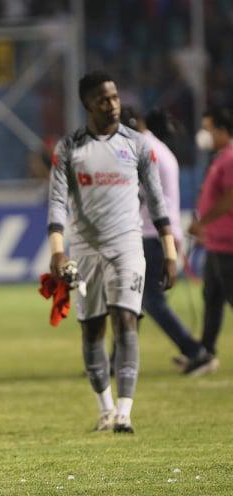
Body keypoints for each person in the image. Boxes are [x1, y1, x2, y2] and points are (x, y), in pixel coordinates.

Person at [47, 73, 177, 434]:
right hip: (85, 248)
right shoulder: (69, 148)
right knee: (92, 329)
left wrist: (169, 251)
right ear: (88, 103)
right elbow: (57, 202)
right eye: (104, 99)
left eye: (115, 97)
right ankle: (105, 408)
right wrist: (58, 252)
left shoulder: (136, 145)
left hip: (127, 245)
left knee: (126, 319)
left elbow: (156, 199)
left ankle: (124, 411)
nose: (113, 104)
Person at [119, 107, 215, 375]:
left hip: (153, 234)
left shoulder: (142, 149)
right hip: (160, 232)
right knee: (134, 299)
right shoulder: (157, 147)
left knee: (150, 300)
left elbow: (133, 192)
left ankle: (195, 351)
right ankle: (120, 359)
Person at [189, 107, 233, 368]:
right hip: (215, 241)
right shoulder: (220, 157)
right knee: (212, 298)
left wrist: (202, 222)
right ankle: (205, 351)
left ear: (222, 130)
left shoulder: (229, 159)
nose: (205, 134)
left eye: (208, 129)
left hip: (228, 243)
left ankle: (205, 351)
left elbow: (230, 198)